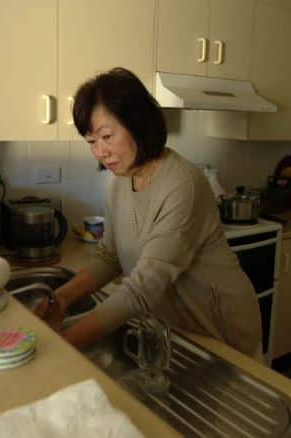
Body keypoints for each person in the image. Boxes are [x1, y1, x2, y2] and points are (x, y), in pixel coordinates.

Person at [37, 67, 262, 358]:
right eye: (91, 141)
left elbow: (144, 287)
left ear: (139, 125)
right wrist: (60, 299)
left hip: (220, 330)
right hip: (176, 329)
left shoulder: (182, 184)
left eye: (107, 136)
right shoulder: (121, 183)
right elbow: (110, 256)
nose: (100, 152)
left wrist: (63, 344)